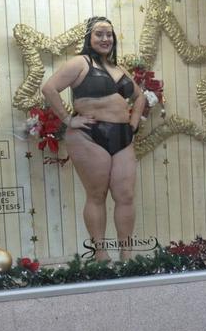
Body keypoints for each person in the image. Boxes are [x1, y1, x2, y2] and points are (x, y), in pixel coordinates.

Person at [41, 16, 147, 262]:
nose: (105, 38)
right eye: (99, 34)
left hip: (123, 137)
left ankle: (127, 255)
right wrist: (68, 120)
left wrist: (133, 124)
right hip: (89, 135)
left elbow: (139, 97)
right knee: (97, 195)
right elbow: (49, 88)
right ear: (89, 38)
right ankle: (101, 254)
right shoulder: (80, 63)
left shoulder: (119, 69)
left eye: (109, 34)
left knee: (126, 196)